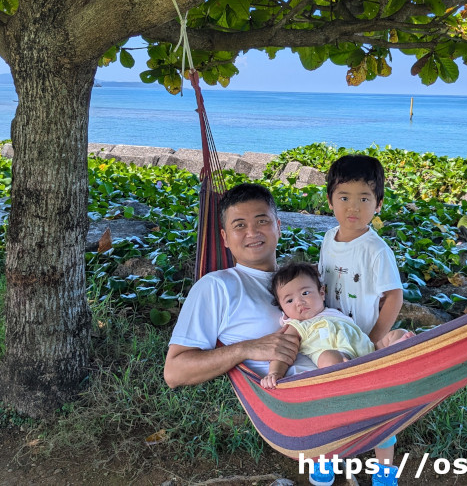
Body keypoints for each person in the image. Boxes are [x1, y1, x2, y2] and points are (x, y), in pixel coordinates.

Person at [164, 183, 313, 389]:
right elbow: (174, 372)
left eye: (262, 221)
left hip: (340, 375)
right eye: (240, 225)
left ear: (278, 227)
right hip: (295, 395)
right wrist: (246, 349)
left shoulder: (305, 279)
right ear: (225, 238)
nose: (252, 232)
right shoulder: (217, 286)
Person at [317, 154, 404, 485]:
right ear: (330, 200)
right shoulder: (328, 239)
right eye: (344, 197)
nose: (352, 207)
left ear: (378, 204)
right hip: (332, 338)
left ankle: (383, 470)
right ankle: (327, 455)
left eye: (364, 198)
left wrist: (374, 338)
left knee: (376, 407)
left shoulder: (376, 250)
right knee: (328, 397)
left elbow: (394, 297)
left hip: (364, 342)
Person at [260, 262, 411, 390]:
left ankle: (398, 354)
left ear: (322, 293)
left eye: (305, 293)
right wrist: (274, 373)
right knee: (328, 357)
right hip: (339, 358)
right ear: (282, 308)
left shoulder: (334, 312)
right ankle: (352, 376)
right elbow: (282, 351)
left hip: (370, 351)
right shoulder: (297, 325)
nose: (299, 302)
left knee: (398, 333)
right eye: (289, 301)